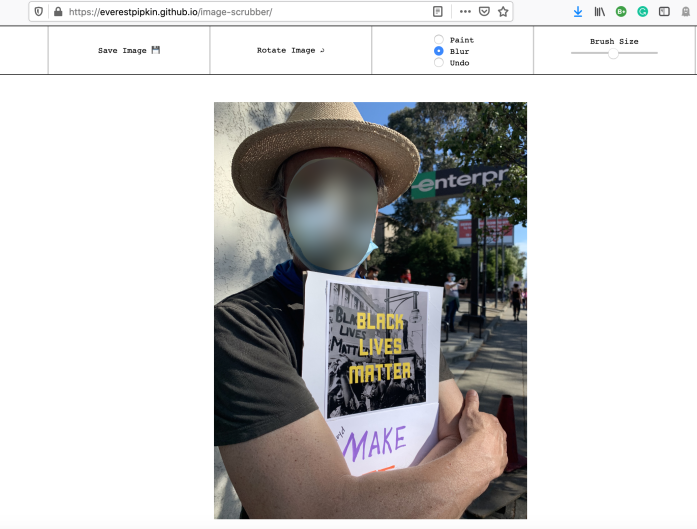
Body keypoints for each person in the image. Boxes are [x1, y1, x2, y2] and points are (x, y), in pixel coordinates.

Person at [215, 103, 507, 519]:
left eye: (355, 189)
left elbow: (454, 432)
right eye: (313, 190)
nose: (336, 211)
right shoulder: (242, 329)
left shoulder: (405, 315)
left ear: (374, 215)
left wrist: (392, 501)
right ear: (282, 211)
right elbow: (320, 514)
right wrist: (476, 466)